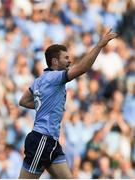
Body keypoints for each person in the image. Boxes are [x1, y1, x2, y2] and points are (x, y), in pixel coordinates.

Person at [18, 29, 117, 179]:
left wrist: (45, 105)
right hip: (42, 140)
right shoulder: (55, 77)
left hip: (51, 141)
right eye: (66, 58)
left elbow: (23, 101)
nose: (69, 61)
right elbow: (82, 68)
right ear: (55, 62)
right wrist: (99, 45)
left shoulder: (39, 80)